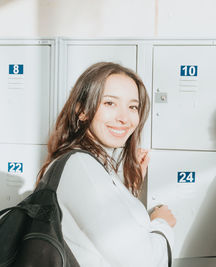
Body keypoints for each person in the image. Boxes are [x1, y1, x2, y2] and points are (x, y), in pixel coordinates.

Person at [37, 62, 176, 267]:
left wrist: (128, 187)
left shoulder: (88, 164)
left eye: (132, 107)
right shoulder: (81, 166)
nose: (124, 118)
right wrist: (162, 223)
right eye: (110, 103)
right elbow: (144, 262)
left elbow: (96, 235)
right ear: (82, 111)